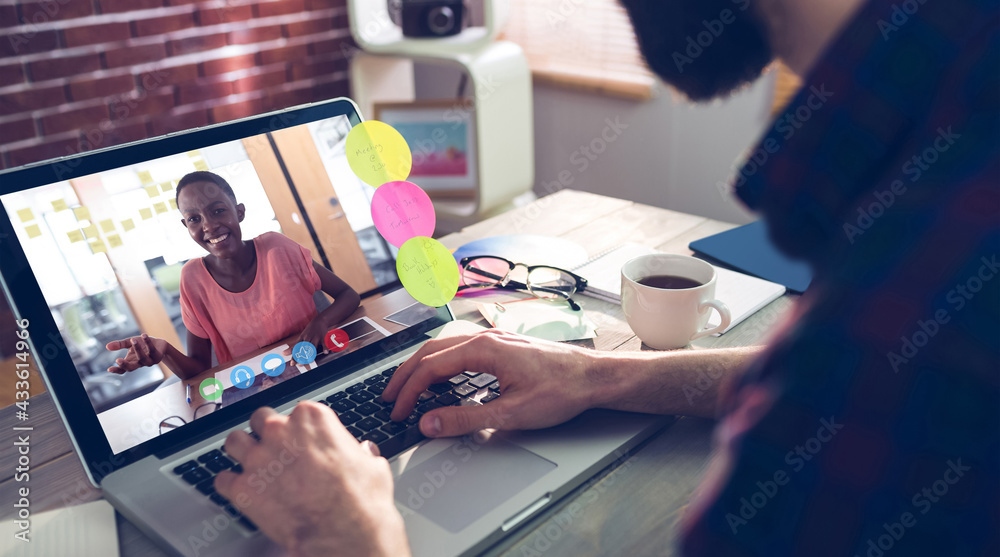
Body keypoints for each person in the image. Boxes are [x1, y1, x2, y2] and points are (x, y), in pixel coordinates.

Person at [212, 0, 999, 555]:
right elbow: (835, 379)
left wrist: (353, 539)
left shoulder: (902, 301)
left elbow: (860, 376)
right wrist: (595, 373)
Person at [105, 171, 361, 380]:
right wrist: (165, 351)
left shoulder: (277, 248)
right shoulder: (192, 279)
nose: (208, 225)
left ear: (239, 212)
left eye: (218, 211)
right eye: (194, 219)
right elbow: (200, 370)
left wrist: (321, 322)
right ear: (186, 226)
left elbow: (349, 296)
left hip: (322, 368)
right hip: (259, 391)